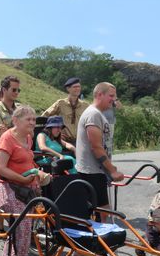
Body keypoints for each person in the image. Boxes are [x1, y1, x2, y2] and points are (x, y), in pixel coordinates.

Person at [0, 106, 50, 256]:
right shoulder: (7, 138)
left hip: (23, 188)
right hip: (8, 189)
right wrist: (24, 179)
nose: (33, 123)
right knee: (23, 230)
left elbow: (28, 161)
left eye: (34, 120)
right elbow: (0, 168)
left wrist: (38, 172)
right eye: (29, 120)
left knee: (18, 232)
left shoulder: (28, 137)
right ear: (15, 121)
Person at [75, 82, 124, 211]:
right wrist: (112, 170)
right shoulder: (93, 115)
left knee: (100, 212)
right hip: (91, 172)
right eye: (111, 96)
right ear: (99, 95)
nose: (113, 100)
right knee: (103, 211)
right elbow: (96, 147)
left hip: (96, 171)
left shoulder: (98, 114)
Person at [41, 77, 90, 144]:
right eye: (75, 87)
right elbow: (45, 116)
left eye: (79, 87)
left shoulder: (85, 105)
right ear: (68, 89)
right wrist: (51, 132)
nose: (78, 89)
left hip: (80, 141)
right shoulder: (61, 103)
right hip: (63, 140)